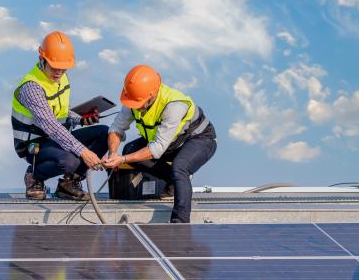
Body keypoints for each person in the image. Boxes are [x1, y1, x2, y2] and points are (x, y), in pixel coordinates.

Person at [102, 65, 217, 223]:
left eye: (139, 104)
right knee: (130, 149)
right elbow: (116, 128)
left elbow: (156, 149)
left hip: (199, 140)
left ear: (152, 94)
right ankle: (173, 181)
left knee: (180, 167)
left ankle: (180, 221)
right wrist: (113, 153)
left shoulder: (174, 105)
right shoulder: (134, 100)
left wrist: (122, 160)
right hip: (169, 142)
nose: (136, 107)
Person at [11, 31, 108, 201]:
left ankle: (68, 183)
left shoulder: (61, 77)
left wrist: (81, 119)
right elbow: (51, 125)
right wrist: (84, 151)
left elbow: (60, 111)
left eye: (63, 68)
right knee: (71, 160)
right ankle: (34, 176)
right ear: (42, 58)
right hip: (35, 144)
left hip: (56, 139)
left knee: (104, 133)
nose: (59, 72)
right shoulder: (31, 87)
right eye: (55, 67)